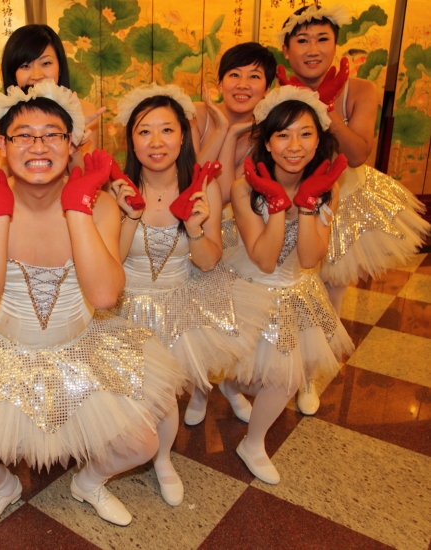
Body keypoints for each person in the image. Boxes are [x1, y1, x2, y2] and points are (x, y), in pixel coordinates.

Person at [0, 81, 185, 534]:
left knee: (141, 444)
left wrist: (78, 208)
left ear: (72, 143)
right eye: (23, 135)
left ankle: (88, 484)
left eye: (52, 135)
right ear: (1, 144)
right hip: (1, 352)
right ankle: (4, 488)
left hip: (81, 349)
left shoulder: (100, 206)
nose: (38, 146)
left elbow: (105, 296)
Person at [276, 4, 430, 414]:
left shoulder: (359, 89)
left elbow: (359, 154)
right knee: (289, 287)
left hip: (345, 198)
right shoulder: (279, 92)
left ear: (336, 45)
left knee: (331, 292)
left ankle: (311, 375)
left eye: (322, 39)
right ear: (287, 50)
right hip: (293, 202)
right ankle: (284, 366)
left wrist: (324, 110)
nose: (312, 49)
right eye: (302, 40)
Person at [110, 84, 267, 439]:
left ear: (183, 137)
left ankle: (165, 453)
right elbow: (111, 262)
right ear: (131, 140)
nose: (156, 142)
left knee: (167, 393)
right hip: (126, 305)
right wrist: (130, 216)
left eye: (167, 130)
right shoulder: (116, 188)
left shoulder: (202, 186)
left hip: (181, 302)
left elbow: (209, 262)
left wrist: (194, 230)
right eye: (144, 132)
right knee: (132, 396)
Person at [221, 86, 354, 484]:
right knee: (242, 375)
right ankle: (229, 388)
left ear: (319, 139)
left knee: (288, 376)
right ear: (267, 141)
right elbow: (264, 259)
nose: (294, 146)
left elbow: (310, 259)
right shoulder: (243, 188)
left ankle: (253, 443)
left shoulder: (327, 187)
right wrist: (278, 205)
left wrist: (309, 205)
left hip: (296, 291)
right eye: (283, 134)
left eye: (305, 134)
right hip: (251, 290)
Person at [191, 43, 277, 249]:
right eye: (234, 75)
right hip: (182, 224)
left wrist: (231, 135)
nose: (243, 85)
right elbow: (191, 181)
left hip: (228, 234)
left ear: (267, 89)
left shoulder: (264, 139)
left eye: (254, 76)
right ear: (220, 84)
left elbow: (223, 195)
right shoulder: (195, 115)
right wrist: (221, 130)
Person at [0, 24, 105, 170]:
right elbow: (2, 180)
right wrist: (6, 148)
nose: (37, 75)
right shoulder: (1, 114)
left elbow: (88, 180)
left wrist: (74, 148)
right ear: (13, 73)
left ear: (60, 67)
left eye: (46, 63)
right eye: (25, 66)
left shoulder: (84, 111)